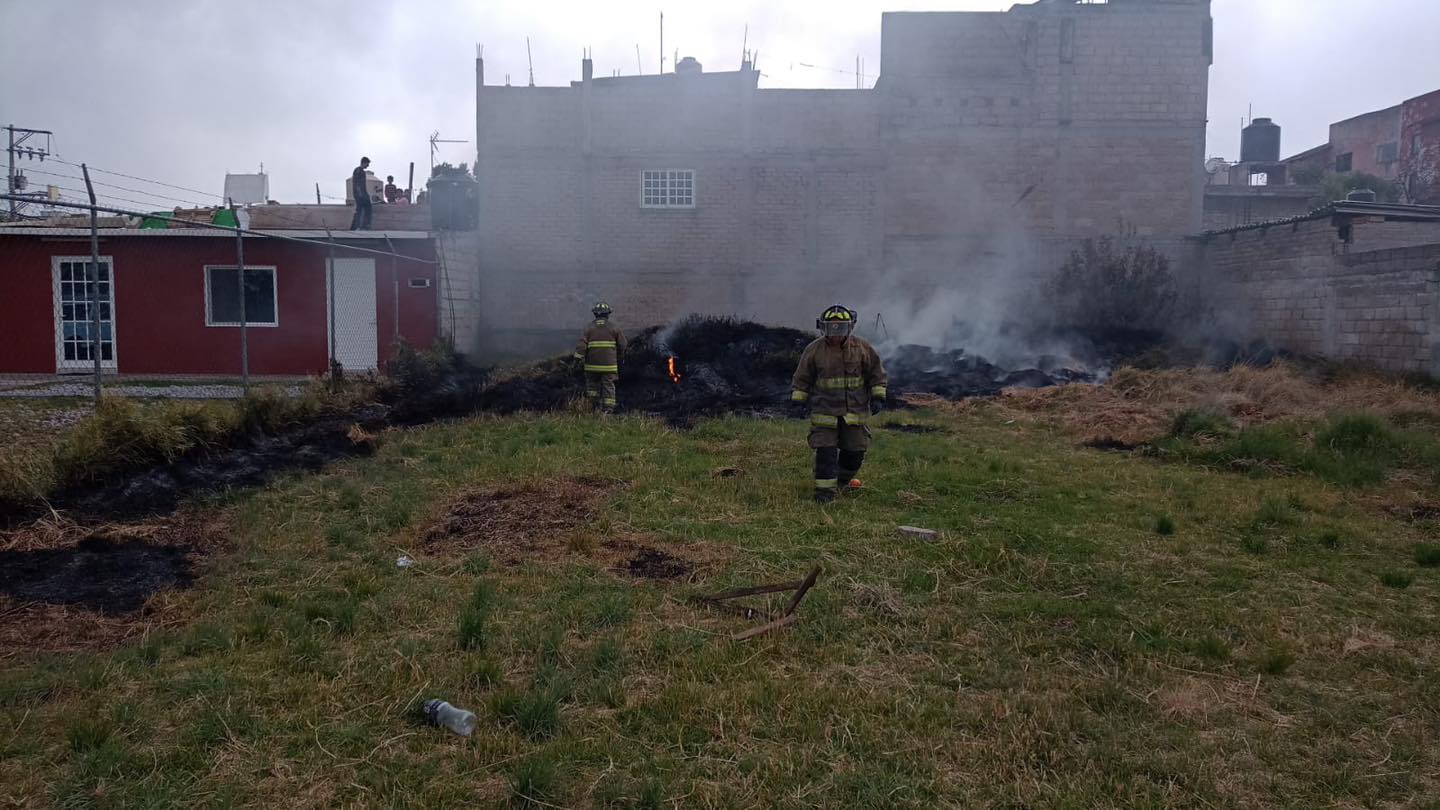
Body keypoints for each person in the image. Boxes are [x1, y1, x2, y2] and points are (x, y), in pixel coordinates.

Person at [790, 305, 888, 504]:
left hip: (854, 413)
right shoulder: (814, 350)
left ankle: (842, 480)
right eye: (831, 328)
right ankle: (824, 495)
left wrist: (878, 396)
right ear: (823, 327)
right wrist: (798, 401)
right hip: (824, 412)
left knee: (855, 453)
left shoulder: (862, 348)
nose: (835, 334)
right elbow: (802, 378)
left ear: (850, 327)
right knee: (825, 452)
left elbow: (877, 373)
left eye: (840, 328)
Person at [573, 302, 627, 414]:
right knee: (608, 387)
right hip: (609, 366)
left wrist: (576, 361)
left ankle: (593, 407)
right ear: (608, 314)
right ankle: (608, 411)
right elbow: (623, 345)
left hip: (591, 366)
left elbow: (581, 347)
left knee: (592, 388)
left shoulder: (588, 328)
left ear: (595, 314)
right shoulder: (614, 328)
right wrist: (619, 357)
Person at [350, 157, 372, 230]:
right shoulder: (358, 171)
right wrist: (360, 194)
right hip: (360, 194)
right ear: (364, 162)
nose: (368, 165)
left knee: (362, 209)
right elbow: (357, 184)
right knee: (361, 210)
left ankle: (359, 226)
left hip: (362, 193)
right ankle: (360, 226)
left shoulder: (360, 171)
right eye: (367, 164)